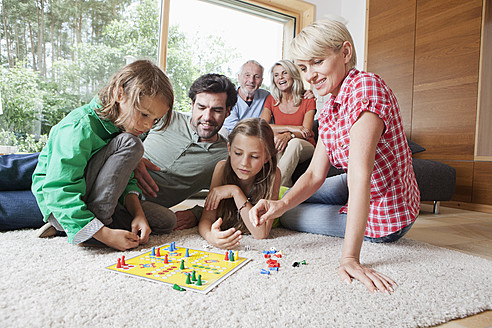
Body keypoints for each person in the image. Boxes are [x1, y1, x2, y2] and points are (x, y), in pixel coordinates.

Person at [249, 20, 420, 294]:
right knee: (287, 203)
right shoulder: (330, 107)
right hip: (361, 185)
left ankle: (283, 207)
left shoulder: (366, 89)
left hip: (386, 209)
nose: (310, 76)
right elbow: (315, 174)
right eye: (303, 68)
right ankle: (271, 201)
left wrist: (350, 258)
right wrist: (279, 204)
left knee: (292, 218)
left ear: (345, 52)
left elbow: (360, 176)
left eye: (318, 62)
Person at [31, 59, 176, 251]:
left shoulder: (124, 125)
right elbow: (58, 189)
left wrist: (138, 214)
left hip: (99, 200)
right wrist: (105, 234)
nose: (148, 125)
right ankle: (91, 230)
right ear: (119, 93)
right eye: (143, 114)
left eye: (155, 119)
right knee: (132, 144)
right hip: (62, 205)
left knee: (167, 220)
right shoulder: (79, 126)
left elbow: (124, 178)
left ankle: (86, 227)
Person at [133, 73, 237, 230]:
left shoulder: (225, 155)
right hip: (120, 178)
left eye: (216, 110)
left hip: (144, 206)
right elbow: (124, 136)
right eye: (201, 107)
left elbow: (235, 202)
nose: (207, 117)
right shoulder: (165, 117)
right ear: (192, 105)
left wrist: (197, 214)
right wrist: (133, 158)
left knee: (168, 221)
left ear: (228, 112)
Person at [199, 118, 281, 249]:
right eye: (238, 153)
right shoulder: (221, 169)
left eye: (254, 156)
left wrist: (235, 192)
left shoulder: (274, 174)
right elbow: (206, 219)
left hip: (284, 198)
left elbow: (260, 233)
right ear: (229, 149)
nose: (244, 163)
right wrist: (210, 236)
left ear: (267, 157)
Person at [261, 59, 317, 187]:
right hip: (283, 143)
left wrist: (289, 135)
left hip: (305, 146)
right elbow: (263, 126)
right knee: (276, 141)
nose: (280, 77)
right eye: (276, 75)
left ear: (292, 75)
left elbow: (306, 132)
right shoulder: (271, 99)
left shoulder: (308, 99)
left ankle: (274, 188)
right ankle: (285, 188)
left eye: (284, 73)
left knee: (294, 143)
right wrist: (289, 128)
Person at [220, 60, 269, 137]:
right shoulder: (229, 96)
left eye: (256, 77)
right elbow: (232, 126)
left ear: (261, 81)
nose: (251, 80)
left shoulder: (266, 96)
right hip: (234, 136)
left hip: (258, 138)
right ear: (239, 78)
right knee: (223, 132)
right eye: (247, 75)